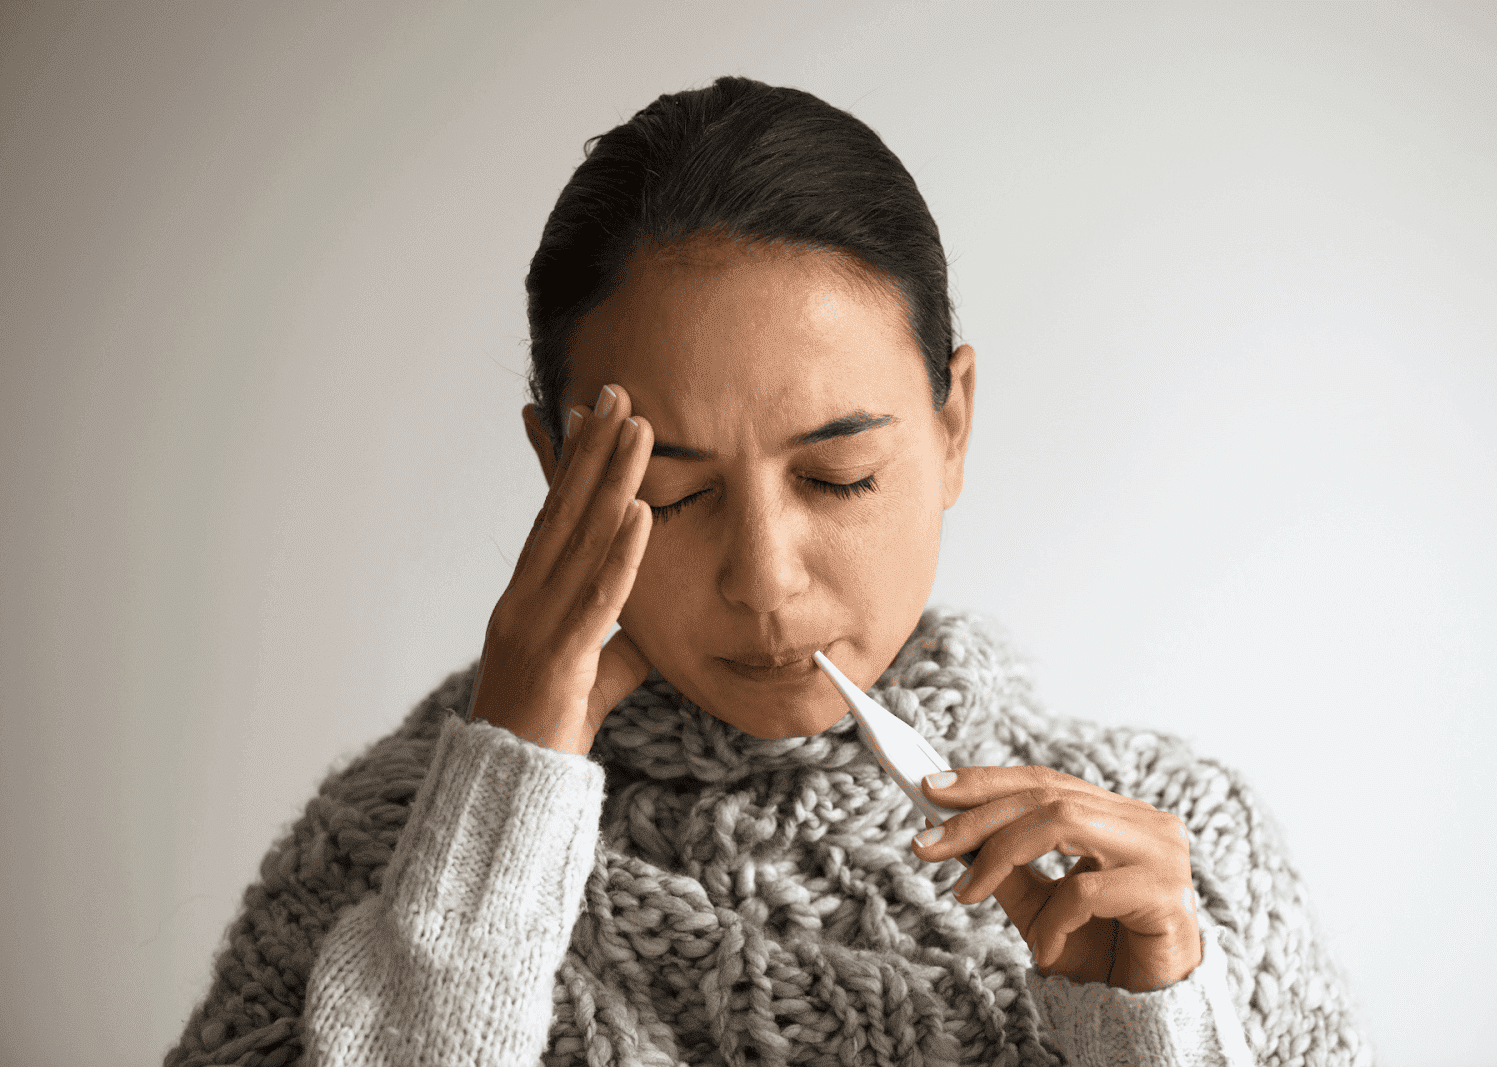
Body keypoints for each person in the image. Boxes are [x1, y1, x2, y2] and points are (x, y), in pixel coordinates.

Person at [165, 75, 1375, 1067]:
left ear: (953, 422)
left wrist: (1153, 1037)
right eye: (672, 492)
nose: (762, 577)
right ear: (557, 470)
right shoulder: (385, 854)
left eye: (837, 474)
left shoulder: (1182, 863)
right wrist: (495, 821)